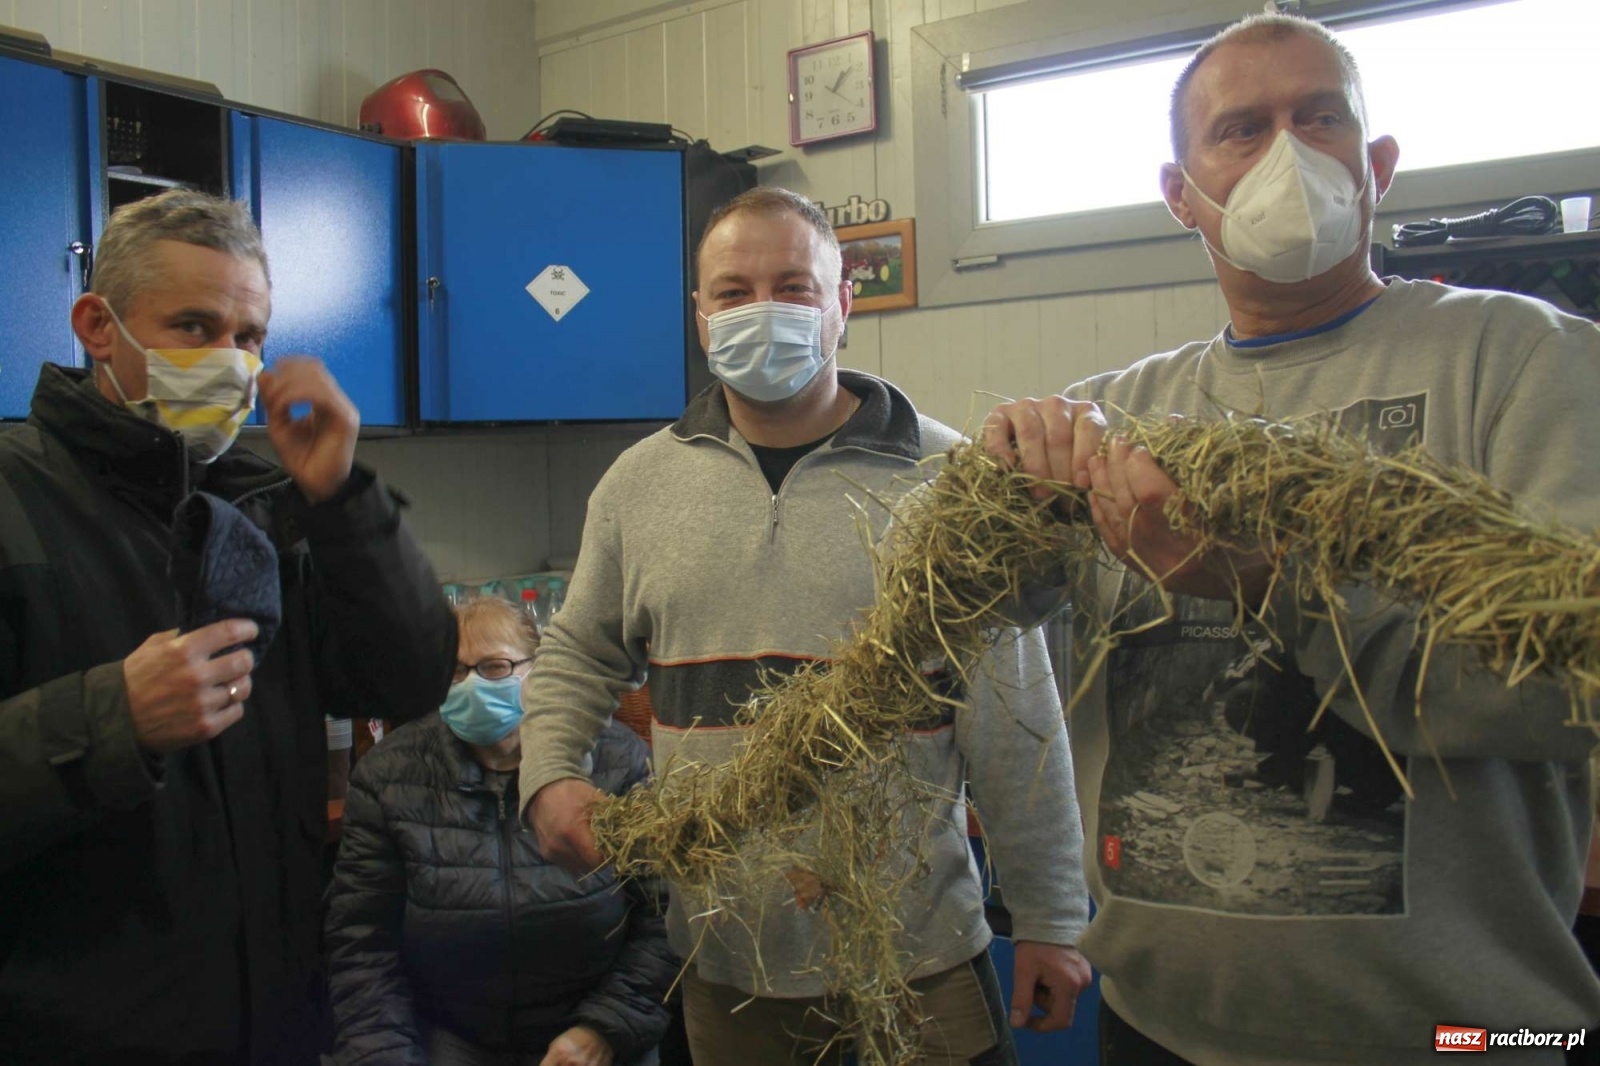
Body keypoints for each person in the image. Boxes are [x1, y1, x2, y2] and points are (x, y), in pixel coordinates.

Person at [983, 13, 1600, 1065]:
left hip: (1460, 1035)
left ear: (1377, 165)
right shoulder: (1115, 414)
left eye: (1319, 119)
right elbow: (999, 634)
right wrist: (1000, 516)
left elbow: (1565, 686)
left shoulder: (1523, 362)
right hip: (1161, 1029)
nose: (1288, 153)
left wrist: (1270, 585)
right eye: (1241, 129)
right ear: (1181, 193)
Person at [519, 186, 1091, 1065]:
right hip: (730, 960)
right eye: (734, 292)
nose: (764, 310)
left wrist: (1050, 917)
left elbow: (1016, 712)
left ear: (843, 304)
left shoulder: (946, 478)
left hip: (919, 958)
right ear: (700, 316)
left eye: (794, 287)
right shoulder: (639, 485)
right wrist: (549, 775)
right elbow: (575, 654)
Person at [0, 189, 457, 1064]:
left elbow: (409, 677)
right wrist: (113, 716)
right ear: (98, 327)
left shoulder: (260, 505)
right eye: (194, 328)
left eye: (249, 337)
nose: (231, 362)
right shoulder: (14, 501)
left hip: (272, 1022)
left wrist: (344, 498)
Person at [327, 596, 674, 1066]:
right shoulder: (389, 777)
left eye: (494, 667)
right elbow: (362, 944)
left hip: (599, 1031)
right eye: (456, 672)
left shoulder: (618, 762)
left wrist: (605, 1029)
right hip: (453, 1034)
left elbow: (664, 921)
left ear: (540, 671)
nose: (472, 685)